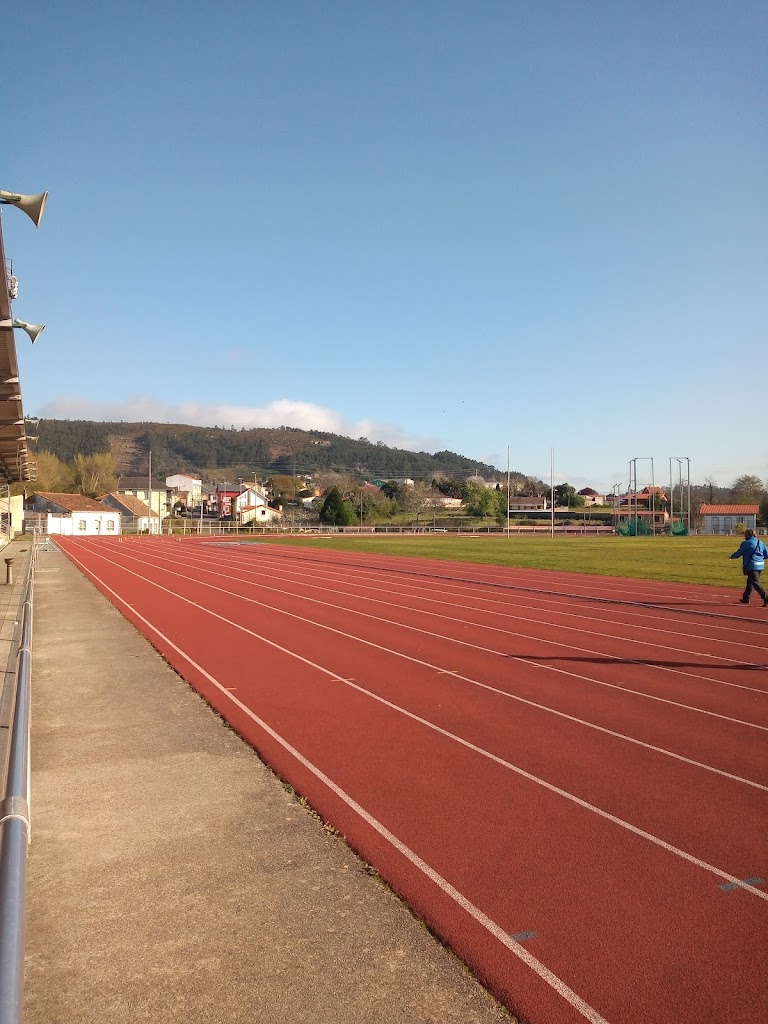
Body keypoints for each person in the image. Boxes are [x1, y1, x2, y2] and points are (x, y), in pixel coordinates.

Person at [729, 528, 768, 606]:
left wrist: (732, 556)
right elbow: (766, 554)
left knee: (755, 583)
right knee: (750, 582)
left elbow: (740, 552)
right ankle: (746, 598)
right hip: (760, 565)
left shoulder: (746, 543)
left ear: (747, 535)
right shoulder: (761, 542)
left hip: (752, 565)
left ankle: (766, 597)